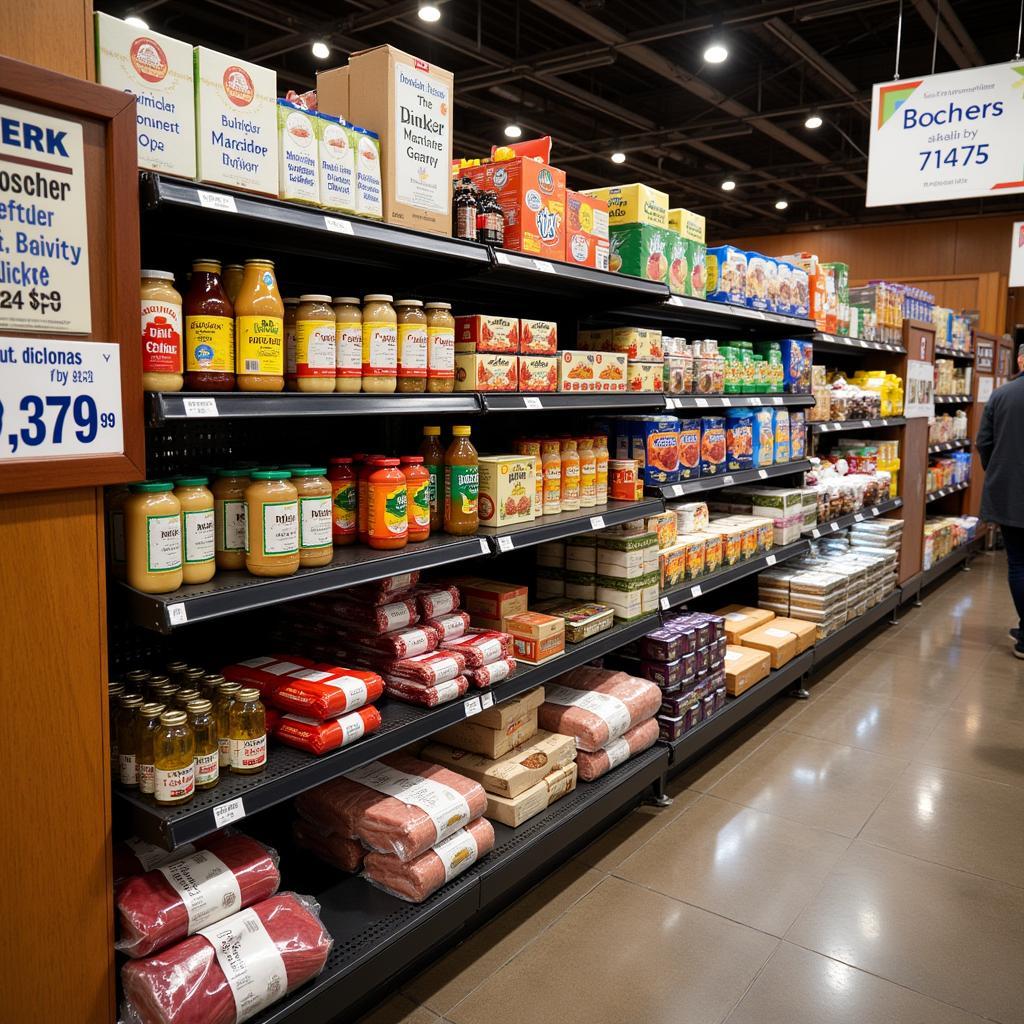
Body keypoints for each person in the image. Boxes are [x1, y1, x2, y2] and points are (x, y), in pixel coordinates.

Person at [977, 370, 1024, 657]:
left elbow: (984, 442)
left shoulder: (1002, 394)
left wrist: (997, 470)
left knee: (1019, 563)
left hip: (1011, 492)